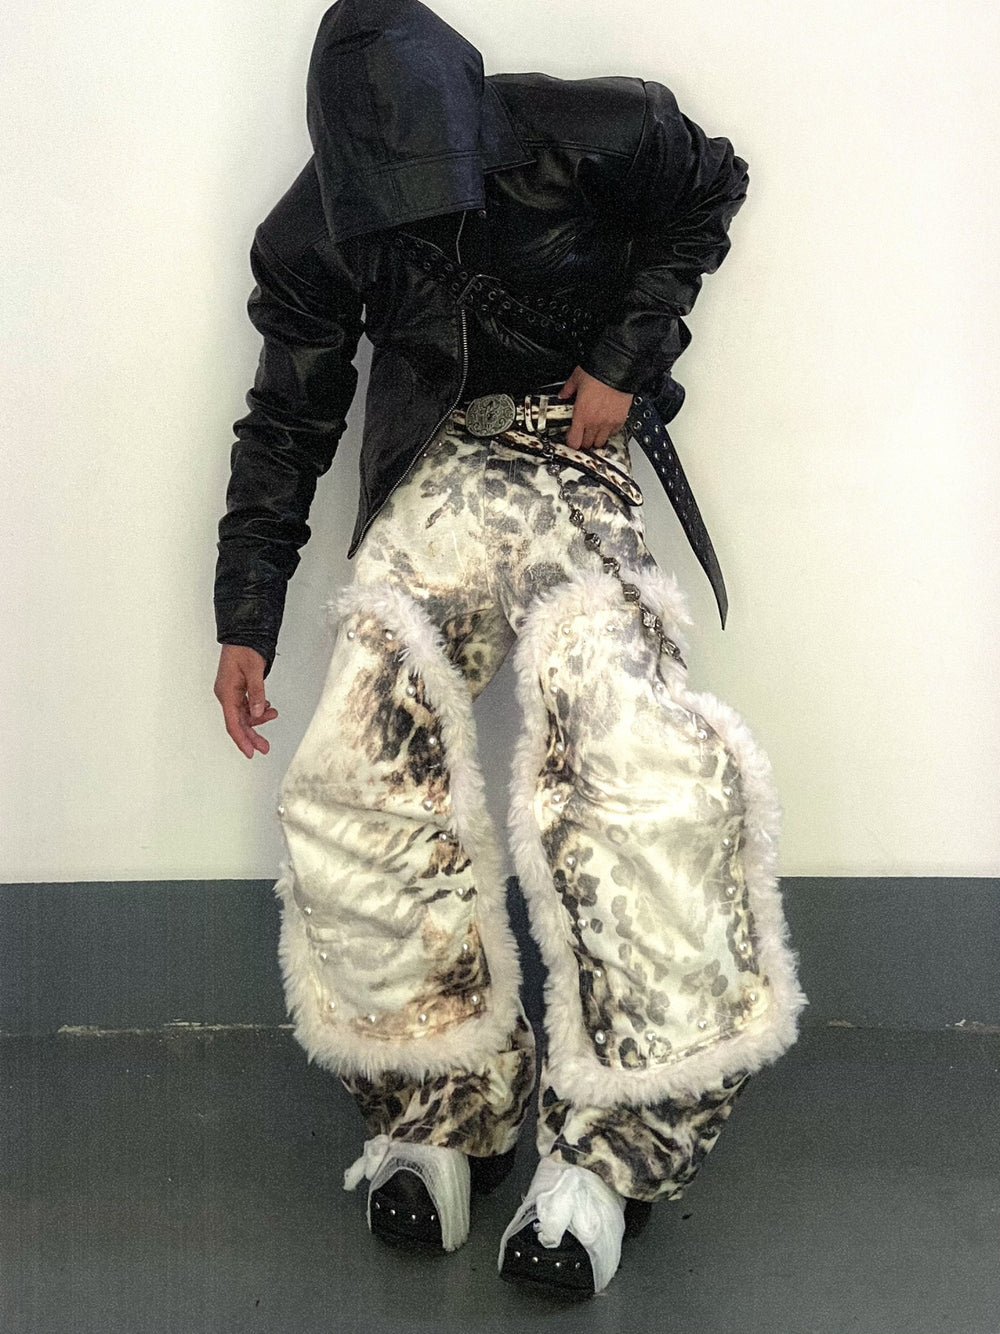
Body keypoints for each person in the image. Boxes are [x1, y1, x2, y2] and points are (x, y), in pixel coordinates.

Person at [213, 0, 806, 1298]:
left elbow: (708, 187)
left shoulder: (588, 129)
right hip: (437, 471)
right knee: (355, 765)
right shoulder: (316, 228)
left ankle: (616, 1145)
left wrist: (624, 356)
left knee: (635, 756)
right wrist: (244, 614)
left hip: (574, 461)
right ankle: (440, 1105)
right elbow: (286, 418)